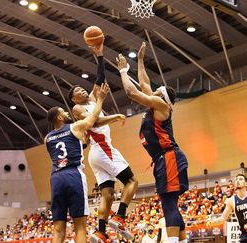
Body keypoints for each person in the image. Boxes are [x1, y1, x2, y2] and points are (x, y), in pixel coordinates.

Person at [117, 43, 189, 243]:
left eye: (157, 91)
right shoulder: (155, 106)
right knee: (170, 202)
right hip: (163, 159)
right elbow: (144, 82)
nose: (152, 92)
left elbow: (133, 92)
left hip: (169, 157)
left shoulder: (161, 105)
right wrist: (140, 61)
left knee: (168, 203)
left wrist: (123, 71)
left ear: (163, 97)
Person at [68, 37, 138, 243]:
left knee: (107, 194)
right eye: (77, 92)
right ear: (73, 99)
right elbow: (94, 122)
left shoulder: (91, 100)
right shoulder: (78, 109)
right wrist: (115, 116)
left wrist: (99, 54)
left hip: (97, 155)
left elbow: (99, 78)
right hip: (103, 149)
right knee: (132, 181)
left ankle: (100, 232)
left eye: (82, 89)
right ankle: (120, 217)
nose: (82, 90)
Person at [46, 83, 110, 243]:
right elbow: (93, 118)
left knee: (58, 230)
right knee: (80, 226)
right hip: (73, 175)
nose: (67, 112)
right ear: (60, 118)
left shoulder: (47, 138)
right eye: (64, 112)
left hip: (56, 178)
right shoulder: (75, 126)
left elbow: (62, 153)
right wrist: (100, 99)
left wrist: (83, 145)